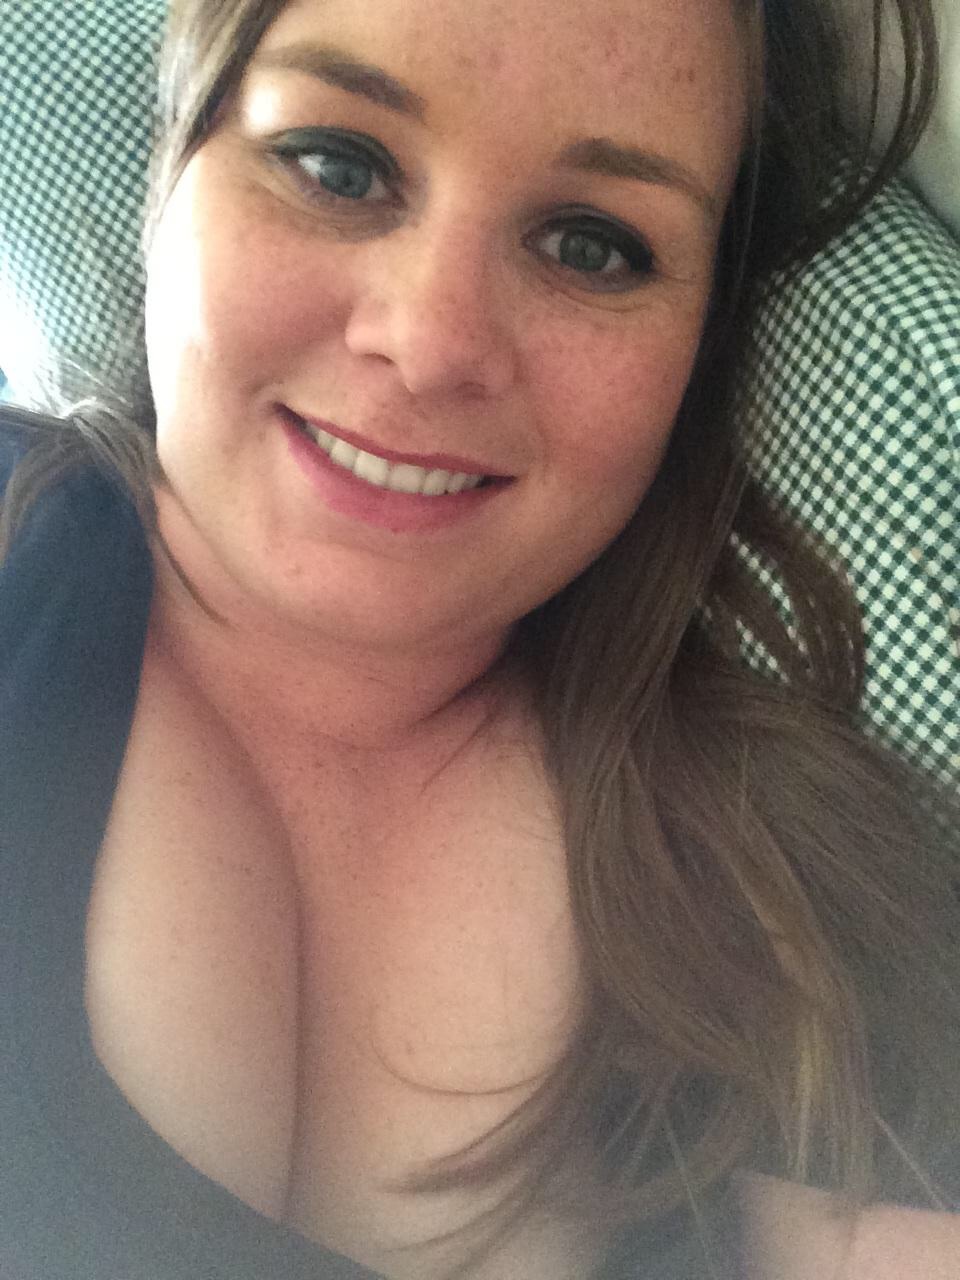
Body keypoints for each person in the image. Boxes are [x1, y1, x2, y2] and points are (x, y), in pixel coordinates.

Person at [0, 0, 957, 1277]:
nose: (431, 341)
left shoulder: (787, 894)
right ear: (173, 170)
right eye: (339, 166)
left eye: (592, 246)